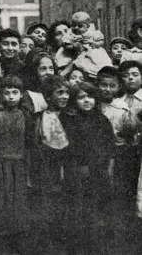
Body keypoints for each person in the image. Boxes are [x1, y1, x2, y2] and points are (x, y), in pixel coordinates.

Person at [60, 81, 115, 254]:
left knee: (96, 211)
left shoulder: (101, 119)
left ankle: (96, 246)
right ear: (74, 100)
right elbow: (67, 147)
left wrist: (109, 167)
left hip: (99, 171)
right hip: (77, 171)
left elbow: (109, 145)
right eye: (81, 97)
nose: (86, 101)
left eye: (90, 97)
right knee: (77, 210)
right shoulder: (68, 119)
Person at [0, 75, 30, 254]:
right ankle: (0, 241)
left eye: (15, 93)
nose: (11, 97)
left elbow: (27, 141)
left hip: (18, 165)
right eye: (7, 93)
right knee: (0, 202)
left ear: (21, 94)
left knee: (17, 202)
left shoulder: (24, 116)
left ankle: (16, 238)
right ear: (1, 95)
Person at [34, 75, 70, 252]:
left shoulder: (71, 117)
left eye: (66, 93)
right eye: (59, 93)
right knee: (48, 209)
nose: (64, 96)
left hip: (68, 169)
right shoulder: (39, 118)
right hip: (47, 169)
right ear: (48, 97)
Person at [96, 66, 130, 201]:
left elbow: (126, 132)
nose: (107, 89)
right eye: (103, 85)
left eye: (112, 86)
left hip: (117, 152)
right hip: (97, 151)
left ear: (118, 87)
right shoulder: (93, 104)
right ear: (97, 85)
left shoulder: (122, 107)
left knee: (113, 184)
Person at [119, 61, 142, 205]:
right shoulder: (118, 100)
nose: (131, 78)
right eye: (126, 76)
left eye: (135, 75)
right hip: (124, 150)